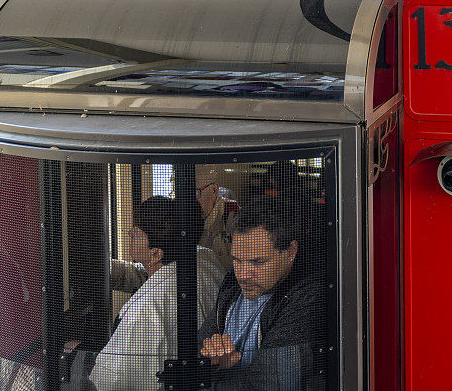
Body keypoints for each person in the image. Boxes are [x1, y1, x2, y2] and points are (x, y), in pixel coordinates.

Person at [89, 196, 225, 391]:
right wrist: (96, 266)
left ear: (155, 254)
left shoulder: (145, 311)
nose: (129, 233)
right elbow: (153, 276)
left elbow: (109, 381)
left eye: (135, 234)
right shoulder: (203, 258)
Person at [199, 197, 325, 390]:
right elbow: (191, 360)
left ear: (291, 251)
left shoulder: (307, 297)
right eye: (237, 260)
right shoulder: (232, 287)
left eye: (257, 262)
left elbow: (271, 384)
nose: (242, 275)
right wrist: (213, 366)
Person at [196, 165, 238, 271]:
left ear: (214, 190)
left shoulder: (233, 216)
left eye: (196, 192)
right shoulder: (174, 218)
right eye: (181, 193)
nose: (187, 200)